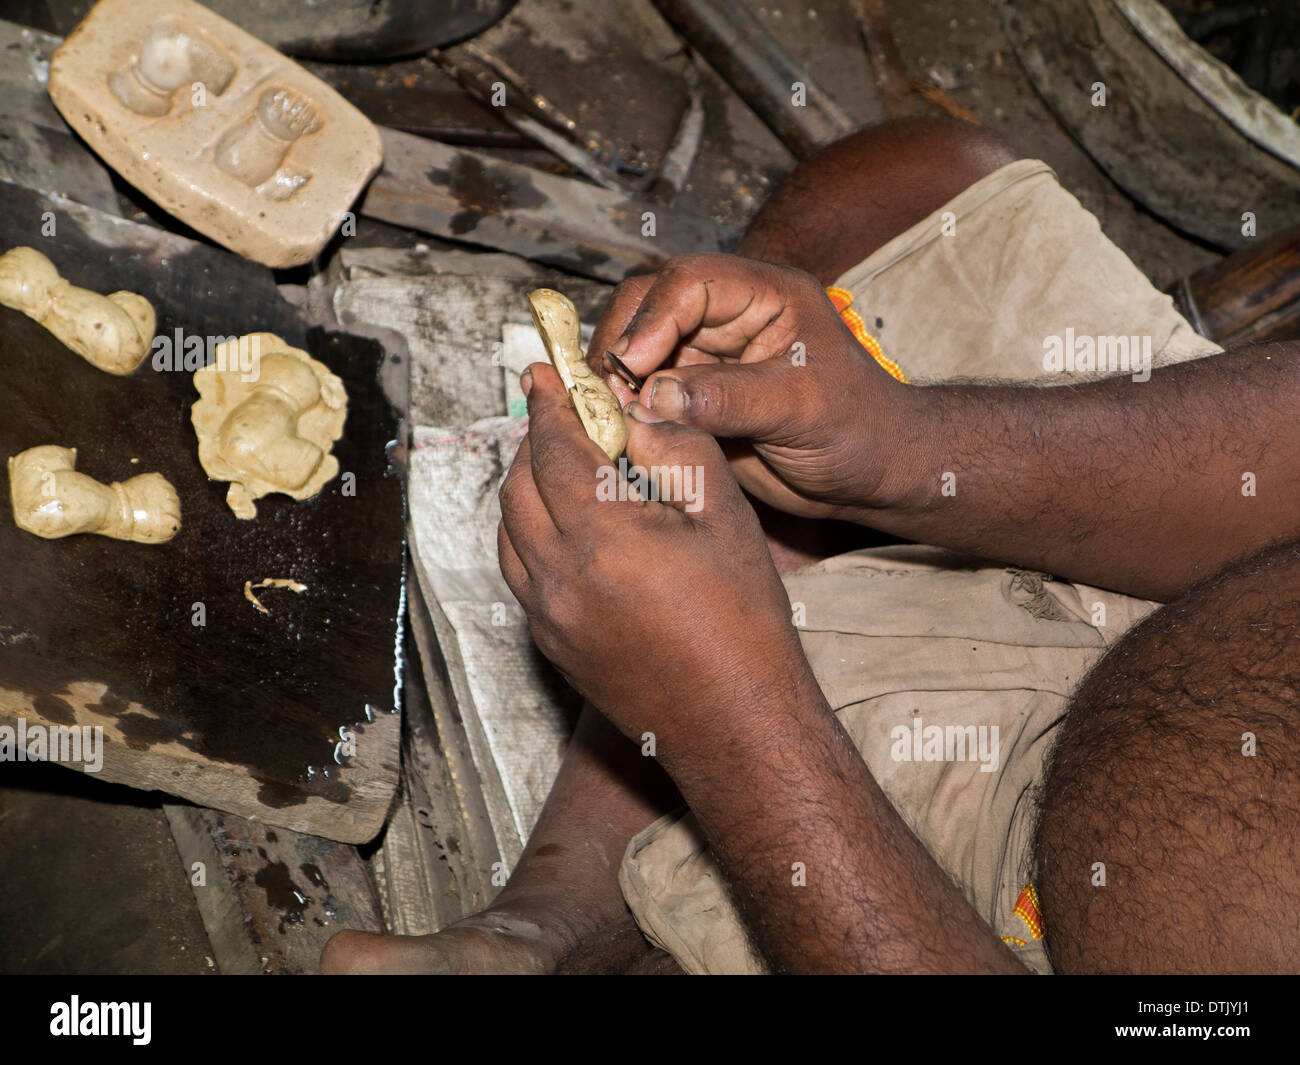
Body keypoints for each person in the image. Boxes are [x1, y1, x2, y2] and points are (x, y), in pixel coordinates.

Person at [322, 118, 1300, 974]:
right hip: (1220, 592)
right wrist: (906, 448)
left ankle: (605, 907)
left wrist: (735, 720)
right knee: (904, 192)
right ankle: (554, 921)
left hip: (1008, 918)